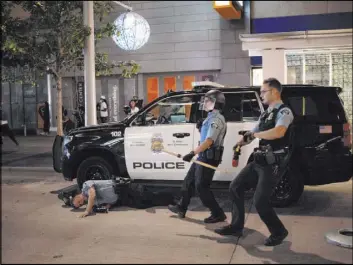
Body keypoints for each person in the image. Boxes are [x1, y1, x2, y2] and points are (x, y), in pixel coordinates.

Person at [215, 78, 294, 247]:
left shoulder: (284, 112)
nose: (261, 94)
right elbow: (254, 132)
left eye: (263, 91)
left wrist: (257, 135)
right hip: (259, 160)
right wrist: (241, 142)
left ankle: (279, 231)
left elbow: (279, 132)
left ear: (274, 92)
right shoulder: (266, 113)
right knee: (235, 187)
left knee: (260, 201)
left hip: (272, 163)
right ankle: (236, 226)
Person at [168, 90, 228, 223]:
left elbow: (209, 141)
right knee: (189, 181)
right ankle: (181, 207)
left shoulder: (216, 119)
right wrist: (201, 128)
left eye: (207, 101)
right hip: (203, 155)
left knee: (202, 187)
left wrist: (192, 153)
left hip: (209, 157)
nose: (204, 103)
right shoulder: (210, 117)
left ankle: (218, 213)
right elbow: (206, 137)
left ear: (215, 103)